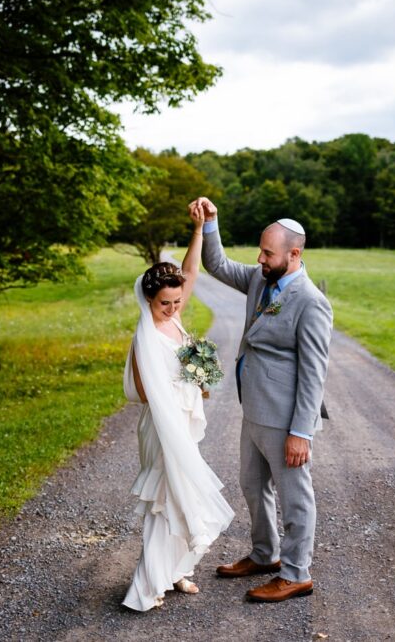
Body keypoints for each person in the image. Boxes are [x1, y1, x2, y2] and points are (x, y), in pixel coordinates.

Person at [193, 196, 332, 603]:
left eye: (267, 252)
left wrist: (301, 432)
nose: (259, 257)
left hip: (285, 418)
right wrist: (212, 222)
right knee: (253, 486)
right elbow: (215, 265)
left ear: (294, 253)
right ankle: (264, 554)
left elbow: (313, 374)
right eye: (260, 249)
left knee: (294, 498)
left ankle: (295, 573)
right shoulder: (260, 278)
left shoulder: (311, 302)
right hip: (253, 409)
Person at [121, 206, 234, 612]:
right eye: (165, 303)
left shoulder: (173, 314)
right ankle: (146, 587)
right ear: (149, 299)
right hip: (162, 430)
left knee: (180, 500)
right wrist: (185, 382)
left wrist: (199, 229)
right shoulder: (146, 336)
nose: (173, 308)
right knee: (164, 501)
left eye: (177, 301)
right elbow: (142, 392)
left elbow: (190, 271)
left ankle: (177, 570)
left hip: (181, 426)